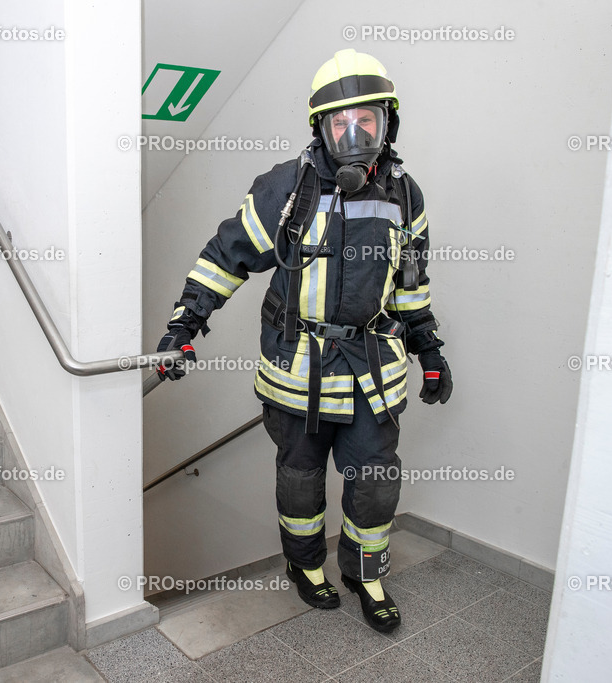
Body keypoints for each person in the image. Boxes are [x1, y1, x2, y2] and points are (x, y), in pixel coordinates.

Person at [155, 49, 452, 633]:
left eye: (366, 119)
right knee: (299, 479)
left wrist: (430, 350)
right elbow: (225, 258)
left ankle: (366, 574)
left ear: (387, 122)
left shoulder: (405, 196)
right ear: (320, 127)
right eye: (339, 121)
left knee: (373, 485)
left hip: (373, 370)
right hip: (297, 371)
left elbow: (412, 283)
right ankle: (305, 567)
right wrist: (184, 325)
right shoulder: (285, 190)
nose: (353, 133)